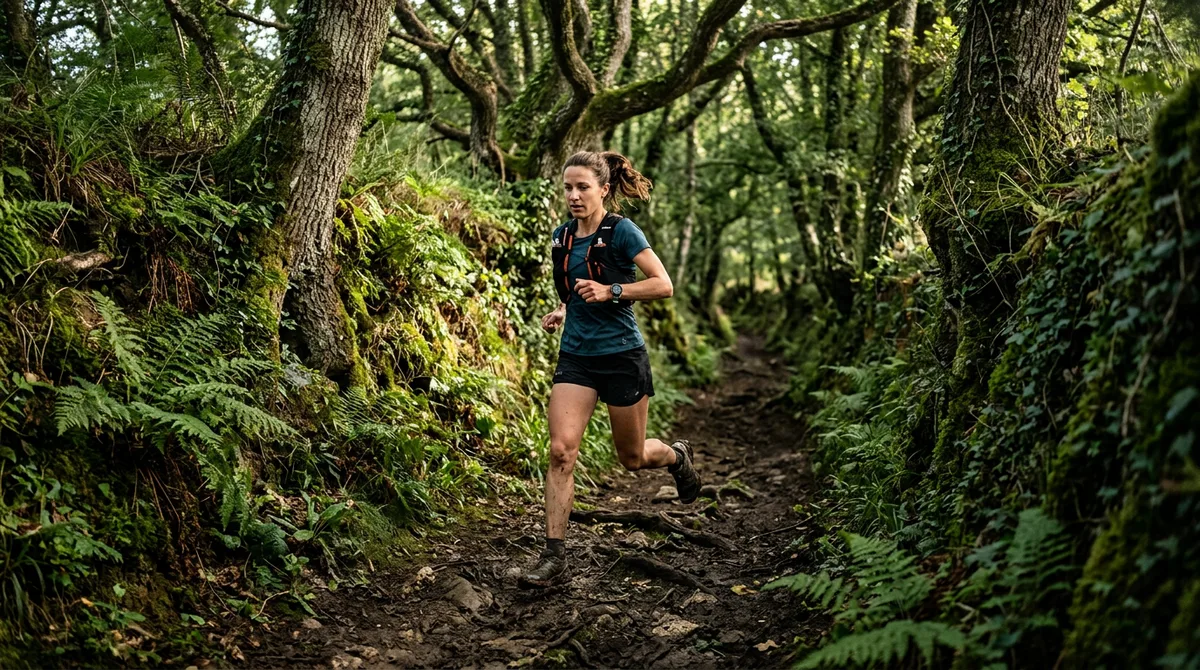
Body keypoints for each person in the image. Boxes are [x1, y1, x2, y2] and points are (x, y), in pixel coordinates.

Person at [519, 151, 701, 588]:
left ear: (603, 189)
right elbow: (575, 290)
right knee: (561, 451)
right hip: (577, 357)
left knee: (633, 458)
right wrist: (563, 310)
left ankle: (677, 456)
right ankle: (553, 557)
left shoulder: (622, 231)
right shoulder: (561, 238)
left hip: (622, 355)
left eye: (583, 187)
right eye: (568, 187)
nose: (574, 195)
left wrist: (613, 290)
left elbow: (663, 284)